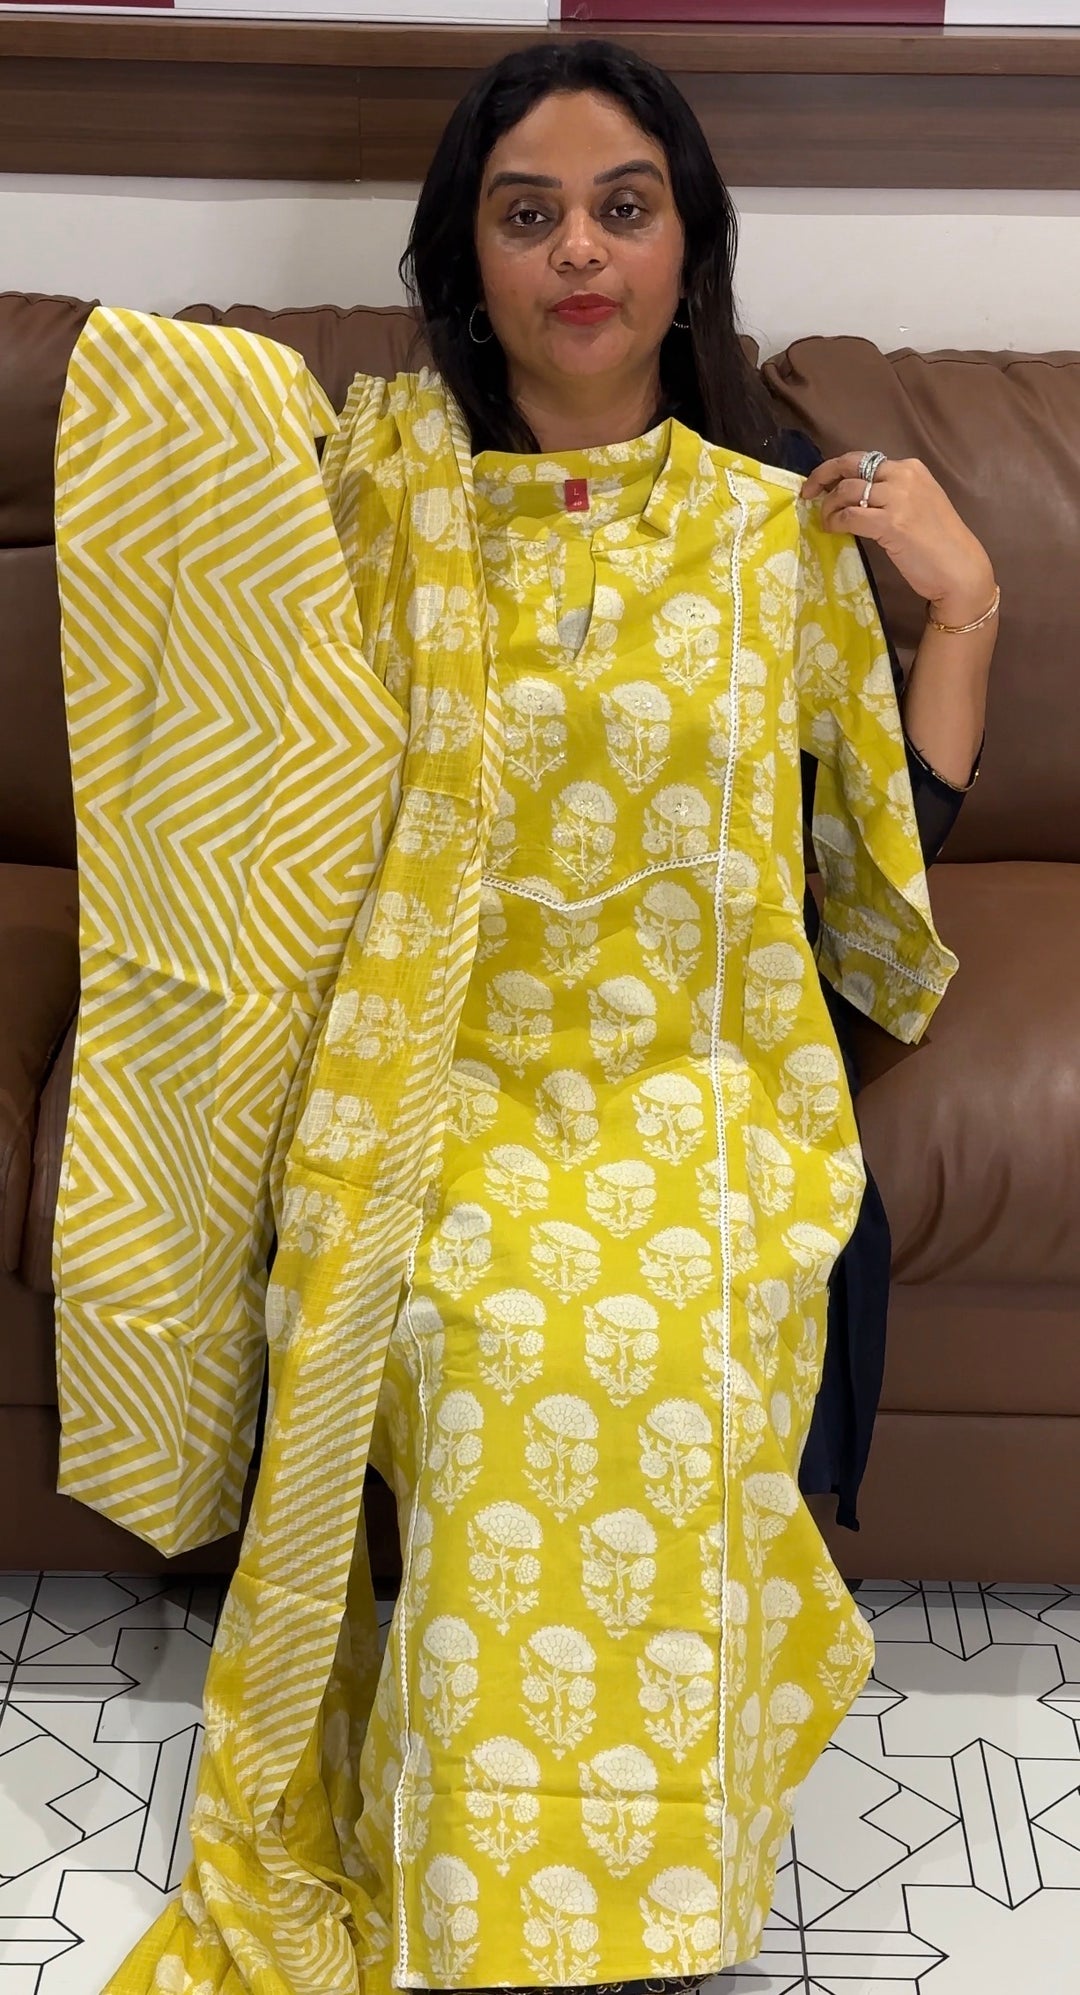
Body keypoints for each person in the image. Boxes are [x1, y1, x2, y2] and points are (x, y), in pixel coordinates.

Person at [52, 37, 996, 1995]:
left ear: (688, 248)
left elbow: (868, 892)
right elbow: (250, 750)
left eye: (624, 208)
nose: (580, 250)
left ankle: (661, 1886)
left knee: (676, 1342)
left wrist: (965, 610)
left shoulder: (772, 534)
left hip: (695, 1086)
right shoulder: (379, 503)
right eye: (528, 212)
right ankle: (490, 1895)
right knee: (490, 1341)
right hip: (441, 1078)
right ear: (466, 262)